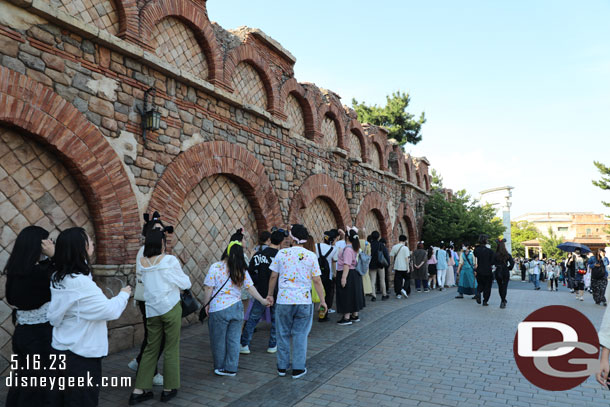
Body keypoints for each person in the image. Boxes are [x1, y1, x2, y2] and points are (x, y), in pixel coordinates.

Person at [48, 227, 131, 407]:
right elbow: (110, 311)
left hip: (61, 352)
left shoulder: (58, 277)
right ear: (81, 248)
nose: (92, 243)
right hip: (80, 357)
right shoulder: (80, 282)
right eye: (89, 240)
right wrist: (123, 294)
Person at [129, 227, 192, 405]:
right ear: (162, 243)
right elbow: (185, 282)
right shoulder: (169, 260)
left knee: (150, 348)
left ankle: (138, 390)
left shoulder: (143, 262)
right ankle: (168, 389)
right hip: (170, 308)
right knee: (171, 348)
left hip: (152, 311)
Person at [4, 226, 56, 407]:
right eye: (47, 241)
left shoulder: (14, 271)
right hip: (41, 336)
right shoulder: (42, 273)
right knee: (38, 385)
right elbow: (71, 274)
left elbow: (11, 299)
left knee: (23, 380)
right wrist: (54, 256)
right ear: (39, 245)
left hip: (22, 333)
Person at [267, 224, 326, 379]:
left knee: (283, 333)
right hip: (304, 301)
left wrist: (270, 295)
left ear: (291, 237)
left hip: (284, 300)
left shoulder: (281, 254)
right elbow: (317, 280)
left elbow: (273, 276)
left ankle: (282, 367)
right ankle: (298, 369)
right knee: (300, 335)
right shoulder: (311, 256)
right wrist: (323, 301)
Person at [203, 240, 269, 377]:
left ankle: (220, 367)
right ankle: (232, 368)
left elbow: (208, 287)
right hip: (237, 308)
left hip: (219, 309)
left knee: (218, 339)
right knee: (234, 339)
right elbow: (250, 288)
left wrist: (206, 304)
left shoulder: (215, 267)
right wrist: (262, 300)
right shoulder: (241, 270)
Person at [129, 212, 167, 386]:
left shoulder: (156, 251)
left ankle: (139, 362)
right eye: (157, 230)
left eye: (163, 230)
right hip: (148, 299)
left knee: (154, 336)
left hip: (154, 298)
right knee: (155, 337)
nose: (162, 233)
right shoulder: (144, 251)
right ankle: (150, 372)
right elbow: (144, 275)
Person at [240, 230, 284, 353]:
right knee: (277, 320)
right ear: (281, 242)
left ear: (270, 240)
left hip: (261, 292)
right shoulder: (281, 256)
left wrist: (258, 282)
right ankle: (272, 345)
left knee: (253, 319)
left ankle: (244, 344)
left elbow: (250, 272)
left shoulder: (259, 255)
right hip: (278, 292)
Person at [335, 227, 366, 325]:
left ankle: (346, 317)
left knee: (346, 295)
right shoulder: (355, 247)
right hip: (354, 274)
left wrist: (343, 278)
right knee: (354, 294)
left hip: (347, 273)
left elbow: (346, 264)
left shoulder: (348, 249)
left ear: (347, 237)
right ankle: (355, 315)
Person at [316, 229, 341, 320]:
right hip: (328, 275)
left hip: (316, 274)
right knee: (326, 296)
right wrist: (335, 274)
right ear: (333, 240)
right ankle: (322, 315)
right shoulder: (334, 249)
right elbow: (334, 262)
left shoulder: (316, 246)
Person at [473, 234, 494, 306]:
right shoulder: (490, 251)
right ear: (486, 241)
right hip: (488, 270)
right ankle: (485, 301)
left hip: (479, 270)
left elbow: (475, 255)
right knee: (487, 287)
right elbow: (492, 262)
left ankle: (478, 292)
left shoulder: (477, 250)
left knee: (480, 284)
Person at [493, 239, 514, 309]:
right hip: (505, 270)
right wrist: (509, 268)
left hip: (498, 270)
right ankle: (503, 301)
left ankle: (503, 300)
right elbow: (512, 263)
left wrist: (496, 265)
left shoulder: (495, 255)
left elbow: (492, 262)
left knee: (500, 286)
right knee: (504, 287)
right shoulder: (507, 255)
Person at [368, 231, 390, 301]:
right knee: (382, 279)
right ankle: (384, 294)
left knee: (372, 280)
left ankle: (373, 295)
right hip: (380, 264)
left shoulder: (369, 245)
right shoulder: (381, 245)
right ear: (378, 237)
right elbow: (386, 254)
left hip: (372, 264)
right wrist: (387, 263)